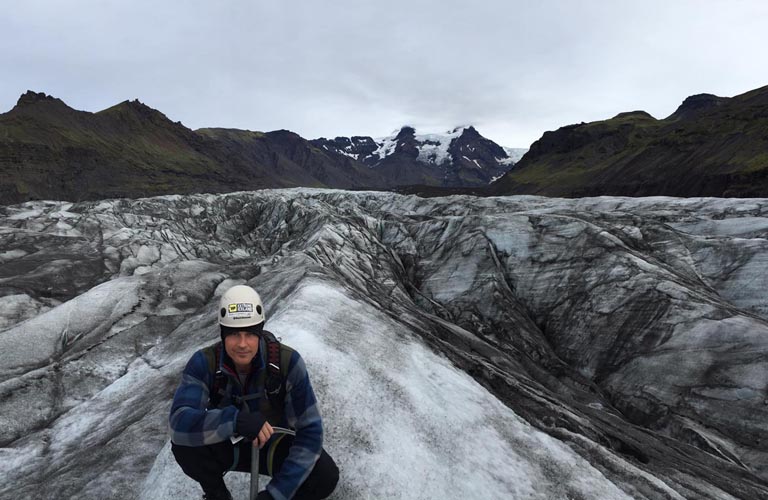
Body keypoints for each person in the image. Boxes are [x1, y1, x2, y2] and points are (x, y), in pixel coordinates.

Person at [169, 284, 339, 500]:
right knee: (185, 446)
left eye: (250, 334)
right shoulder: (205, 363)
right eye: (233, 334)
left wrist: (276, 494)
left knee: (324, 475)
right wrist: (234, 420)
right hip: (228, 441)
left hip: (274, 444)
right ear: (222, 334)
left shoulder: (287, 363)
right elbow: (179, 422)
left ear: (260, 332)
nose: (242, 344)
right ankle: (217, 495)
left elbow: (311, 432)